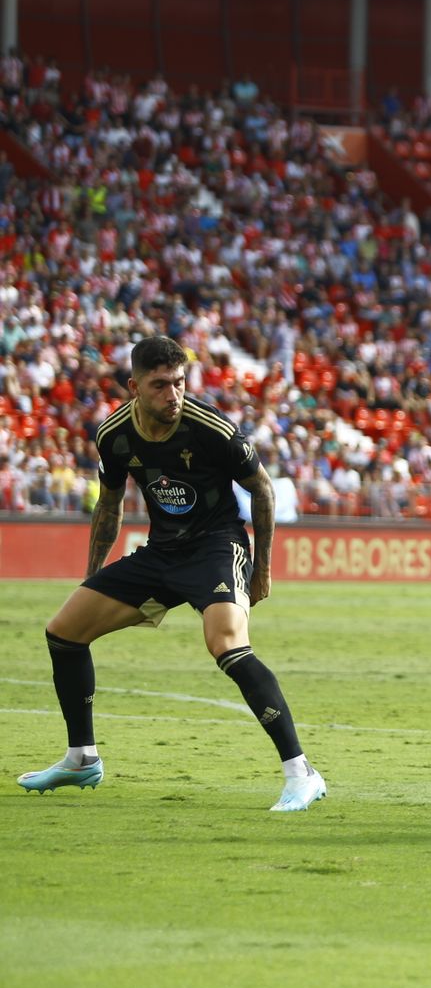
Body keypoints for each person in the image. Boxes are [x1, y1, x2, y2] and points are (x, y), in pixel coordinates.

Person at [16, 336, 324, 811]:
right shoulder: (114, 434)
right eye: (160, 385)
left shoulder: (212, 429)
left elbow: (262, 489)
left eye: (179, 382)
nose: (173, 394)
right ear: (134, 387)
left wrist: (262, 569)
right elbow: (110, 505)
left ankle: (301, 773)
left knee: (226, 644)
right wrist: (92, 577)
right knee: (64, 632)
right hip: (161, 552)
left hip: (216, 546)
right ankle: (82, 758)